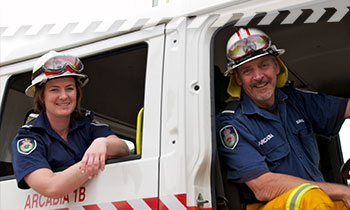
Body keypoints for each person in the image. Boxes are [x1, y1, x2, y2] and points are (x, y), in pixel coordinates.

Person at [216, 28, 350, 209]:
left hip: (315, 201)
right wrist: (341, 191)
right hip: (270, 204)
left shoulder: (294, 100)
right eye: (247, 71)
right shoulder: (233, 124)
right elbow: (264, 187)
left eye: (264, 65)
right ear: (238, 79)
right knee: (313, 198)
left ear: (277, 66)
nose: (258, 76)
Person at [11, 51, 130, 199]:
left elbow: (123, 149)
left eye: (69, 88)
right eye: (54, 89)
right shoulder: (28, 138)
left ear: (77, 93)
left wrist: (104, 143)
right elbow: (51, 187)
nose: (64, 96)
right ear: (42, 96)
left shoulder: (86, 124)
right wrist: (92, 162)